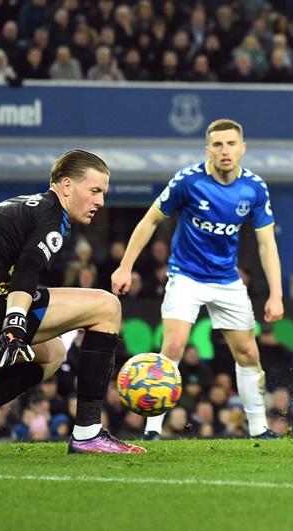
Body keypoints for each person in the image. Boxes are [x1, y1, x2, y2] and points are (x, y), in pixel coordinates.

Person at [0, 150, 144, 455]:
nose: (100, 202)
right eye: (94, 191)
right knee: (107, 307)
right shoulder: (50, 216)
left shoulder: (24, 206)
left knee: (53, 353)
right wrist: (13, 323)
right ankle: (88, 433)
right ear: (66, 186)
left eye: (104, 194)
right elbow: (27, 269)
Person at [112, 119, 284, 440]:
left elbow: (266, 242)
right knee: (173, 346)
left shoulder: (254, 188)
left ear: (242, 148)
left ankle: (259, 428)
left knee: (248, 353)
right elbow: (150, 220)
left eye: (231, 144)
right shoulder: (188, 181)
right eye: (218, 145)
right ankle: (152, 429)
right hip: (186, 275)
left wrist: (276, 293)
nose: (225, 151)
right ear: (208, 150)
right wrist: (125, 266)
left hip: (227, 279)